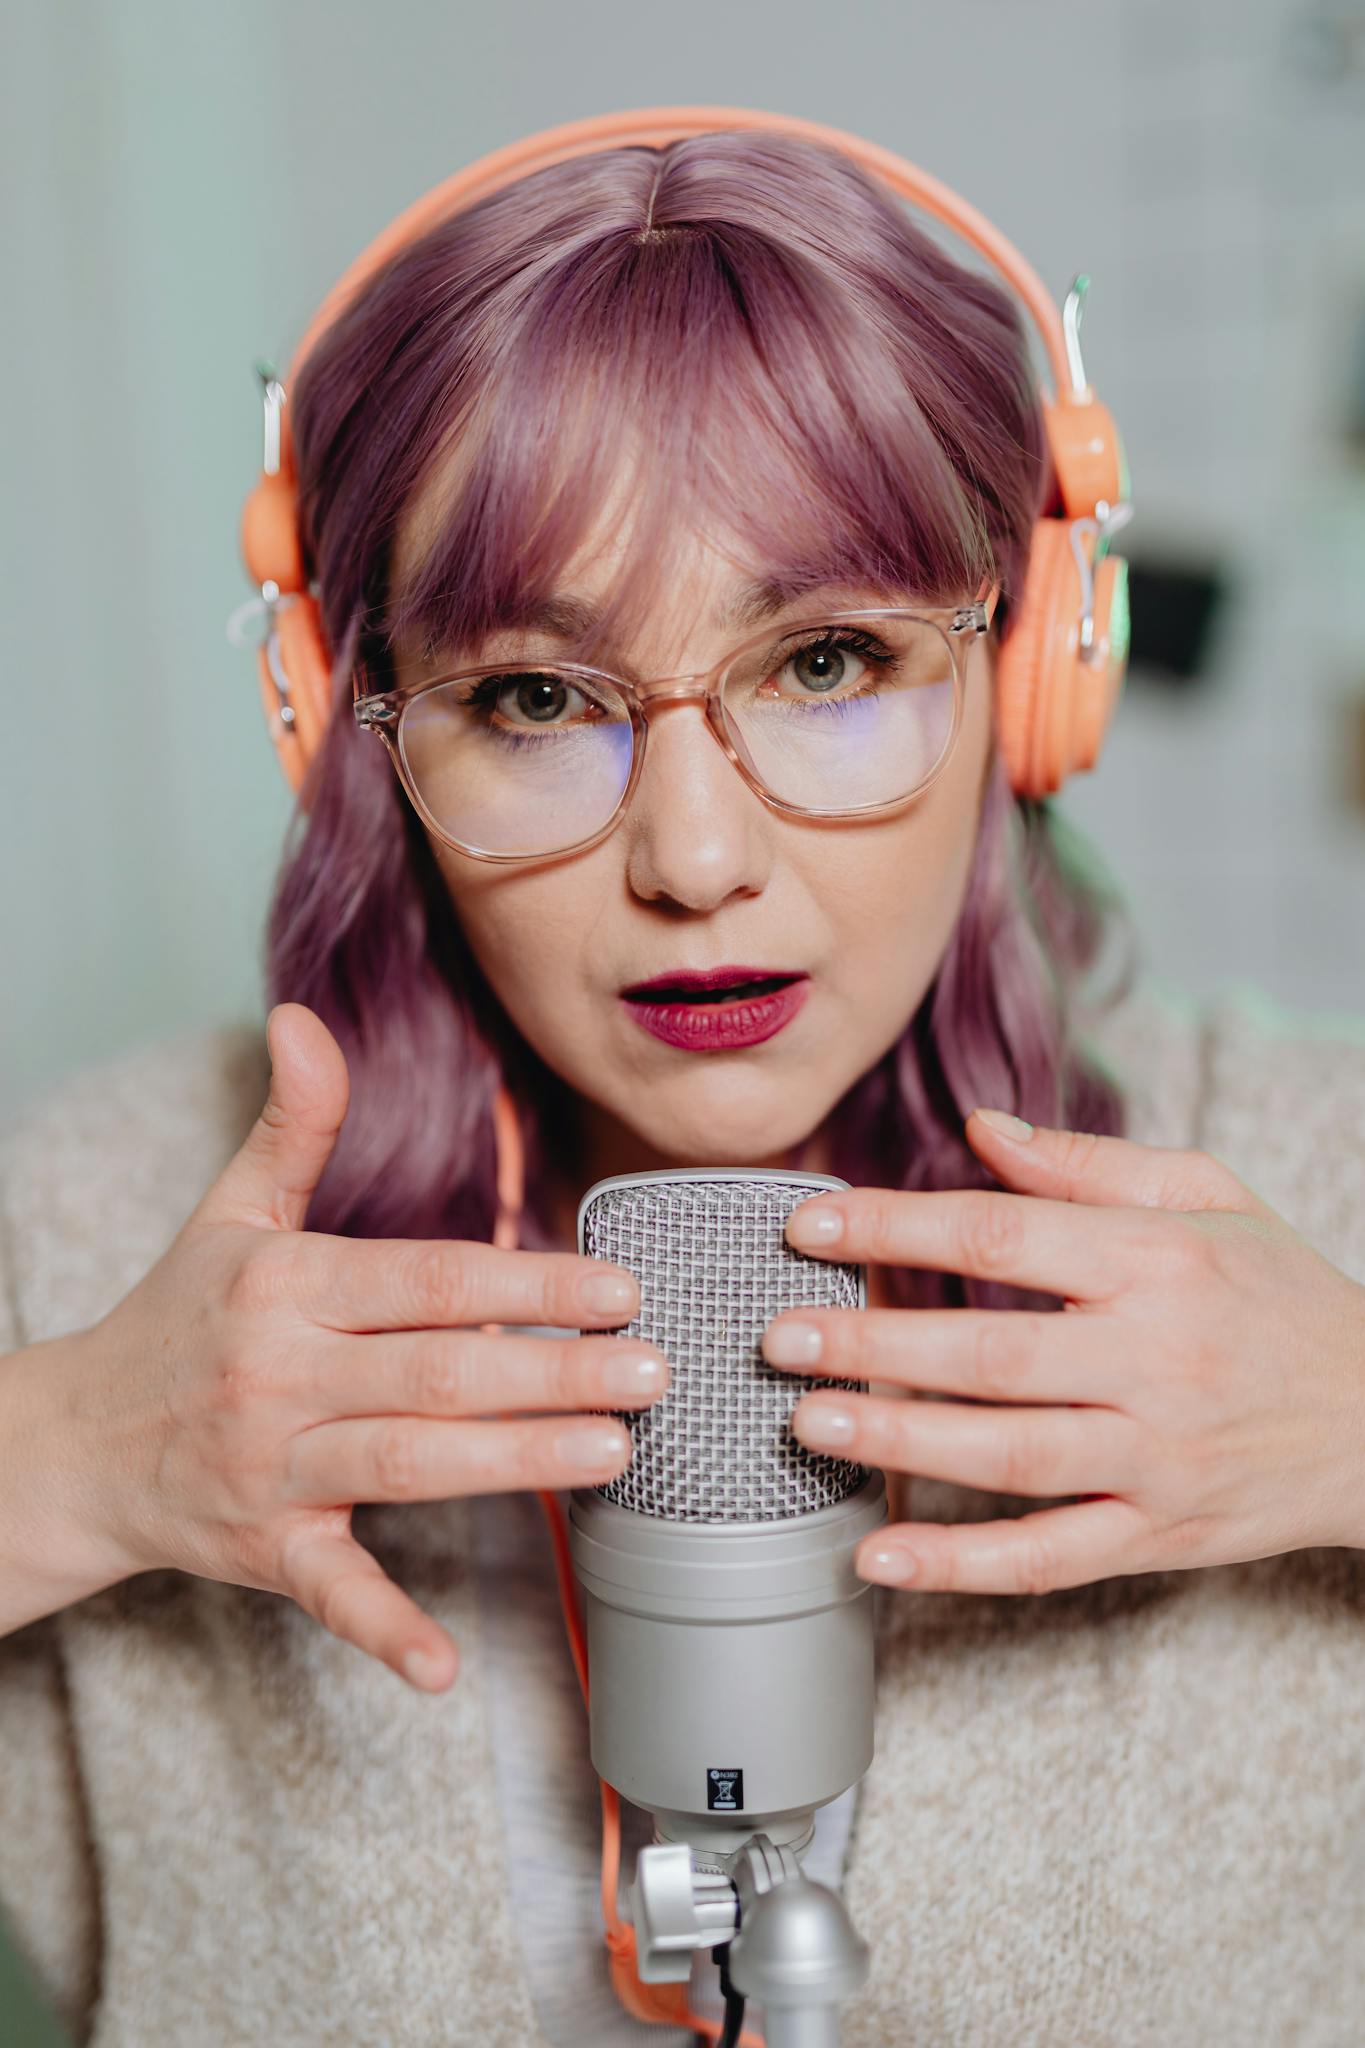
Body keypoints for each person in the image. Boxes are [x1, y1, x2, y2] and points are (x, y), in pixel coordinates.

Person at [2, 122, 1364, 2048]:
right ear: (355, 732)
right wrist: (72, 1456)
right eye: (533, 698)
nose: (696, 859)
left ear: (1039, 669)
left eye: (826, 660)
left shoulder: (1320, 1191)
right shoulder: (104, 1233)